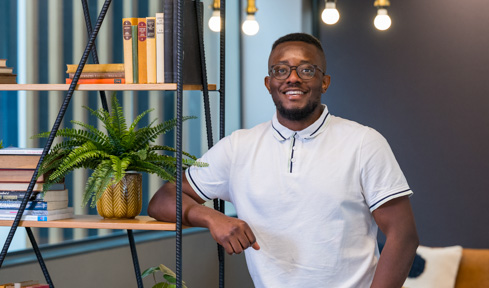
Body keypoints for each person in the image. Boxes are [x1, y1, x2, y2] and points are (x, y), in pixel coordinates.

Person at [148, 32, 419, 288]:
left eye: (306, 69)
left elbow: (403, 236)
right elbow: (162, 199)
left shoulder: (363, 143)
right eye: (281, 70)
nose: (293, 78)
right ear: (269, 84)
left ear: (324, 82)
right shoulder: (239, 147)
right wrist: (210, 217)